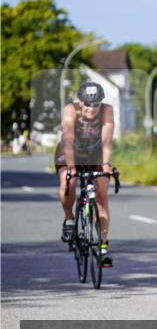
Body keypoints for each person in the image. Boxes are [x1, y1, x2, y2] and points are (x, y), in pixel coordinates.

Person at [57, 81, 115, 266]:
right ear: (80, 102)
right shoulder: (70, 110)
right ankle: (69, 219)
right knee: (68, 181)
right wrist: (72, 168)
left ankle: (103, 246)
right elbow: (68, 140)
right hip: (70, 152)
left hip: (94, 153)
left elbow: (106, 141)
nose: (92, 108)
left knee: (102, 192)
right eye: (87, 104)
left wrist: (105, 165)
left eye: (96, 104)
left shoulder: (107, 110)